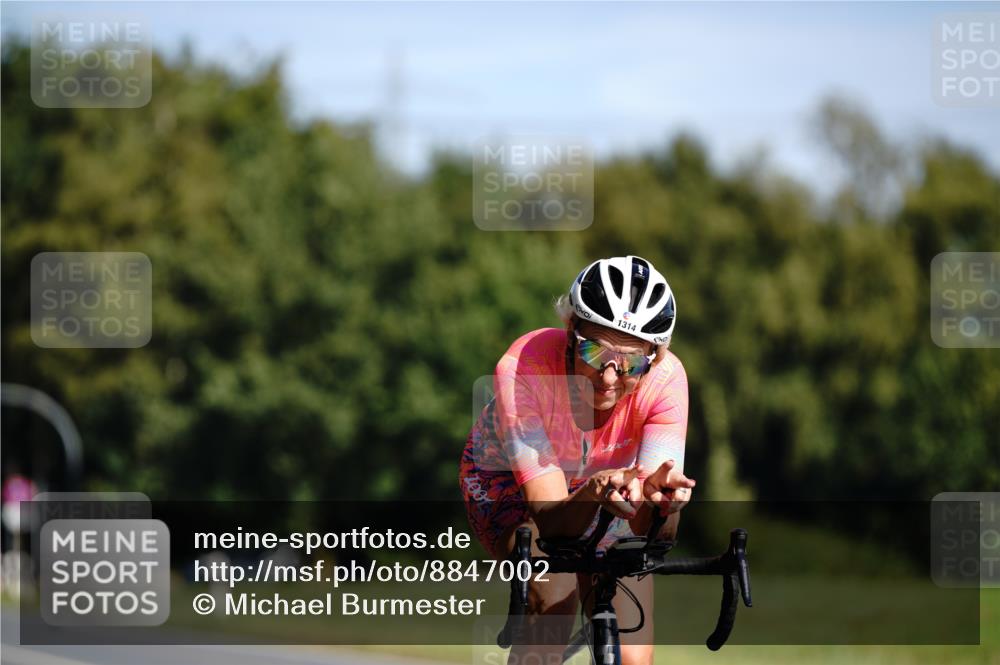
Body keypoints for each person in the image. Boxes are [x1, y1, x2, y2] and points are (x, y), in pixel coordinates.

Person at [459, 255, 695, 665]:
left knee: (634, 651)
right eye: (593, 351)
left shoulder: (667, 381)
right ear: (570, 330)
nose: (608, 377)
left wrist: (662, 506)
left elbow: (653, 534)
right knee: (554, 597)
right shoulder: (524, 367)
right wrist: (592, 491)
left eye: (630, 363)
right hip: (510, 485)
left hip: (604, 485)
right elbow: (550, 519)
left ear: (654, 359)